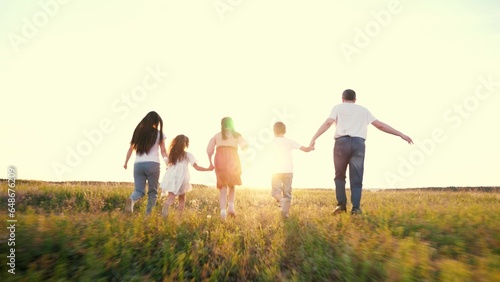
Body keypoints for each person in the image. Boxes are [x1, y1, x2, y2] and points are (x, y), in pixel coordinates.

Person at [309, 89, 413, 215]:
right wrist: (401, 134)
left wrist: (314, 138)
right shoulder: (363, 110)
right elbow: (380, 125)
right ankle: (356, 208)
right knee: (357, 178)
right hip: (359, 144)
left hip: (341, 144)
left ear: (342, 99)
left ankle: (341, 206)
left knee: (339, 176)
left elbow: (328, 123)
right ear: (355, 100)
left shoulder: (337, 108)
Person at [123, 111, 168, 215]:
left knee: (139, 190)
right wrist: (169, 162)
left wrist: (126, 162)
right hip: (153, 164)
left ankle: (132, 200)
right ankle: (148, 216)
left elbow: (130, 149)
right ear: (156, 122)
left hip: (138, 164)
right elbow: (164, 151)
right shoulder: (159, 134)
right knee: (152, 192)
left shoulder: (138, 133)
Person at [160, 135, 212, 218]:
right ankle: (179, 217)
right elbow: (196, 167)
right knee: (182, 199)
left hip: (171, 177)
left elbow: (166, 159)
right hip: (182, 178)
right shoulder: (187, 155)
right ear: (186, 144)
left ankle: (166, 206)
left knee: (171, 197)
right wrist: (208, 169)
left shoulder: (172, 155)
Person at [207, 117, 249, 219]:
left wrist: (210, 163)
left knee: (222, 186)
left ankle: (223, 212)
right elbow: (245, 147)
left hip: (219, 158)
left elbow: (209, 150)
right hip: (233, 158)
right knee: (232, 184)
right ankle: (230, 206)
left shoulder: (217, 135)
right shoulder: (236, 135)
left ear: (222, 124)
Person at [270, 122, 313, 218]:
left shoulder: (272, 142)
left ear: (273, 131)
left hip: (276, 170)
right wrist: (310, 147)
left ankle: (282, 201)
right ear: (285, 131)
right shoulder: (289, 141)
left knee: (275, 192)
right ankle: (286, 214)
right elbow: (305, 149)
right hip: (288, 170)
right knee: (287, 193)